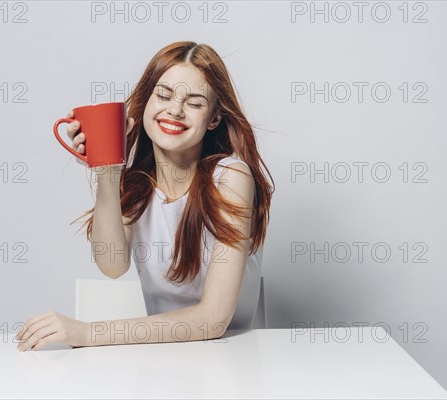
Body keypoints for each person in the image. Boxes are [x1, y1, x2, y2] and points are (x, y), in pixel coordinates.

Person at [17, 41, 274, 351]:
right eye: (163, 95)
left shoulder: (231, 177)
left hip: (232, 359)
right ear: (147, 102)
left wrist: (87, 333)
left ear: (214, 119)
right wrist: (108, 170)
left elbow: (212, 320)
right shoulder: (138, 185)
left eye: (194, 103)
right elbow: (112, 265)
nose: (175, 110)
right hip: (160, 358)